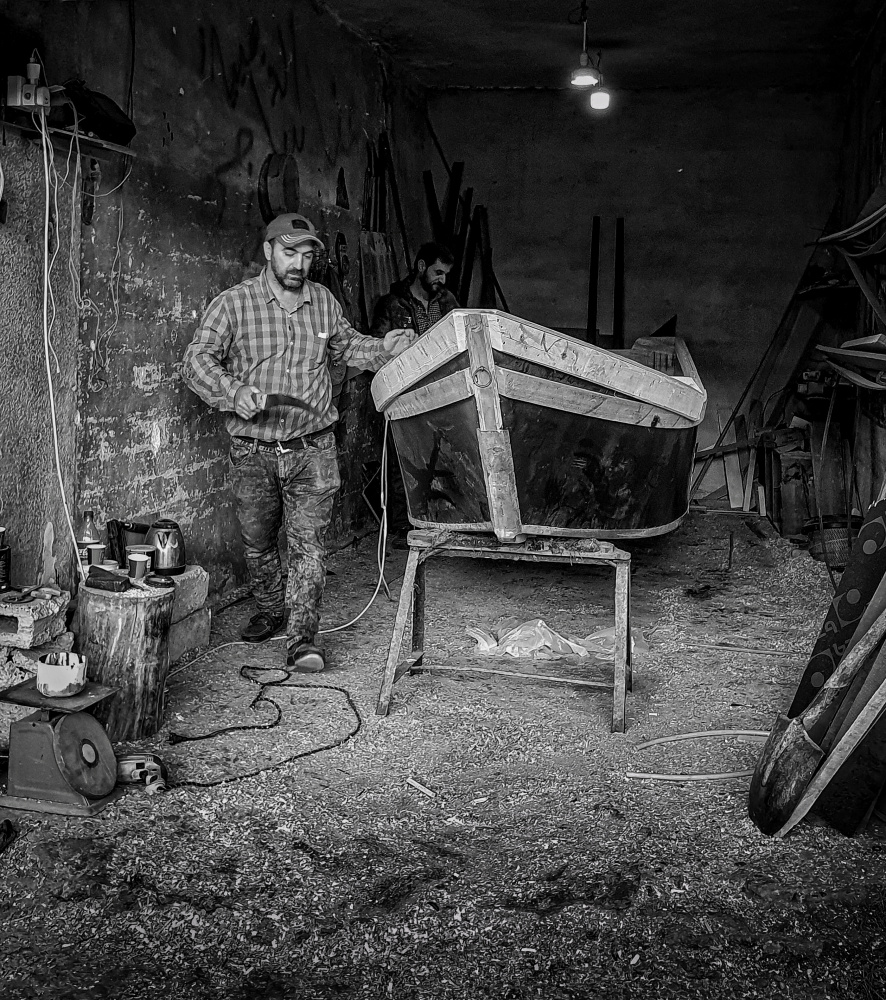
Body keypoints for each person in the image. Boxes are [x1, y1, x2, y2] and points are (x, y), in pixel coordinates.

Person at [183, 213, 415, 671]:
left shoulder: (324, 302)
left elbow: (346, 347)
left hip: (314, 450)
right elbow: (196, 361)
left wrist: (383, 348)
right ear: (268, 251)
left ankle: (302, 639)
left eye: (308, 255)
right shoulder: (233, 305)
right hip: (253, 452)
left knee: (309, 546)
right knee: (259, 542)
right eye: (290, 253)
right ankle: (271, 609)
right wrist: (233, 392)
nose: (299, 264)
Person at [370, 242, 460, 338]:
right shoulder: (392, 304)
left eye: (445, 274)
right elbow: (379, 346)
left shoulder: (447, 300)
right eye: (438, 273)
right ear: (421, 266)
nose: (443, 280)